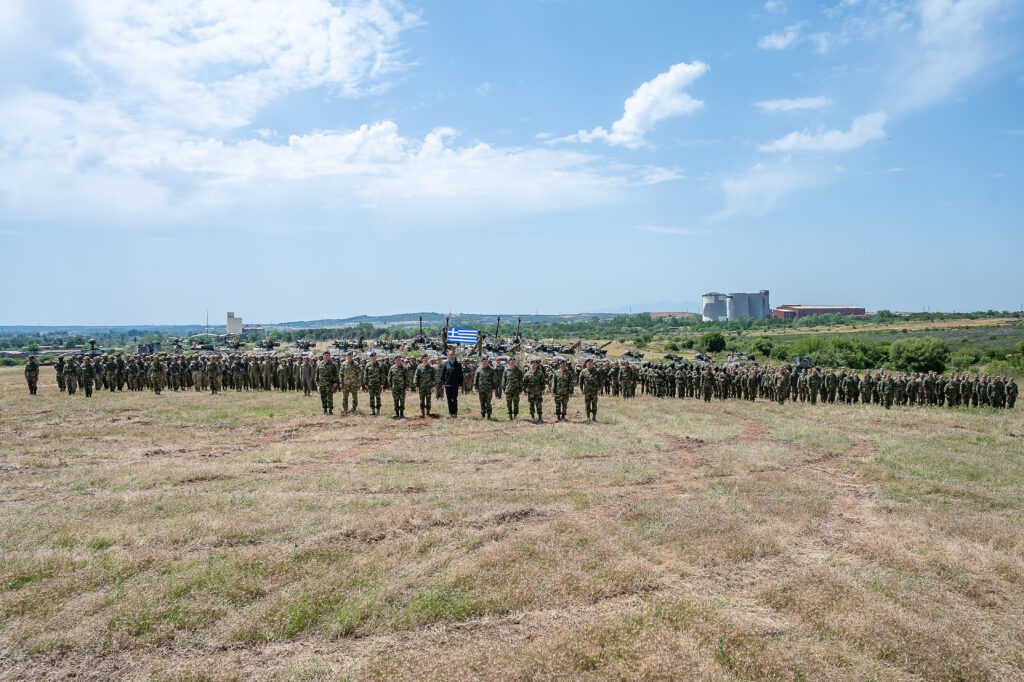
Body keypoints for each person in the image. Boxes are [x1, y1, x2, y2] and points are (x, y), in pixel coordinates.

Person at [440, 350, 463, 418]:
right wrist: (442, 383)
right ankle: (450, 413)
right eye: (450, 354)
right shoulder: (445, 364)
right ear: (448, 355)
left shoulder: (458, 364)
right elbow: (442, 374)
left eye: (452, 354)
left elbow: (460, 375)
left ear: (454, 355)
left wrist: (460, 384)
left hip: (455, 385)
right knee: (449, 399)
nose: (451, 356)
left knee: (454, 399)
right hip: (447, 385)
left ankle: (455, 413)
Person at [363, 351, 384, 416]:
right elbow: (365, 375)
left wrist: (382, 383)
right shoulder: (368, 365)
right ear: (370, 357)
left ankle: (378, 411)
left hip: (378, 384)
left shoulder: (380, 365)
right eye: (372, 357)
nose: (373, 358)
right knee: (371, 397)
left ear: (376, 357)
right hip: (370, 384)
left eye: (374, 356)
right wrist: (365, 383)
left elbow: (383, 375)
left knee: (378, 397)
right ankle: (372, 411)